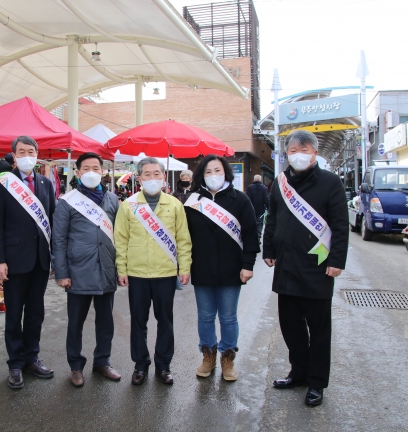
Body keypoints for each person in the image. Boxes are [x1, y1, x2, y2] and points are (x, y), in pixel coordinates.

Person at [262, 130, 349, 407]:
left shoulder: (330, 183)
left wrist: (336, 261)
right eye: (293, 151)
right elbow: (272, 218)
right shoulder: (281, 182)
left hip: (318, 268)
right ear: (286, 154)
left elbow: (340, 226)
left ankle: (316, 382)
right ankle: (298, 373)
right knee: (291, 327)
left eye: (304, 150)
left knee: (319, 329)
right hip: (287, 267)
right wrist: (269, 250)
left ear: (314, 152)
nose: (298, 155)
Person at [114, 157, 192, 386]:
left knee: (165, 321)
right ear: (139, 179)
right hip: (137, 274)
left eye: (156, 174)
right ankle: (140, 365)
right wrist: (122, 269)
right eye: (147, 174)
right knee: (138, 321)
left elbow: (183, 239)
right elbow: (120, 240)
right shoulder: (128, 205)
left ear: (164, 177)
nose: (152, 178)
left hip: (165, 273)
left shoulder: (174, 204)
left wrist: (184, 267)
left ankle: (164, 365)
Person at [184, 155, 260, 382]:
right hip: (202, 269)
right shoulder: (193, 201)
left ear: (226, 173)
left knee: (228, 317)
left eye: (217, 170)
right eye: (208, 172)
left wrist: (248, 265)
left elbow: (250, 234)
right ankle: (208, 356)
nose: (213, 175)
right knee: (205, 317)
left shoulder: (241, 199)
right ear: (201, 176)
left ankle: (227, 358)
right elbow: (184, 236)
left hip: (232, 269)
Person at [0, 136, 56, 390]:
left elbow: (50, 221)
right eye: (21, 152)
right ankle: (15, 364)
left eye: (31, 151)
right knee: (14, 315)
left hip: (40, 261)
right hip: (14, 261)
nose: (27, 155)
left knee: (36, 314)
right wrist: (0, 261)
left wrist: (53, 257)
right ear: (14, 156)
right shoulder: (2, 184)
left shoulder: (46, 184)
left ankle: (32, 357)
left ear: (37, 154)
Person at [52, 152, 121, 387]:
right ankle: (76, 366)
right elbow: (58, 240)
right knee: (75, 323)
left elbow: (120, 237)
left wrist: (120, 269)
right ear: (78, 172)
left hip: (106, 269)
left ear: (103, 172)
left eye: (96, 168)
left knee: (105, 322)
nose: (91, 172)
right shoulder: (67, 201)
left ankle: (103, 361)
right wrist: (61, 273)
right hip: (78, 270)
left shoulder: (113, 199)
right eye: (86, 168)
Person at [246, 174, 269, 241]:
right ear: (260, 180)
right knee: (259, 224)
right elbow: (266, 199)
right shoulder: (264, 188)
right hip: (260, 210)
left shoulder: (250, 187)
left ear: (254, 180)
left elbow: (248, 199)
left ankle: (253, 237)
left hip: (251, 210)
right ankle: (258, 236)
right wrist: (269, 208)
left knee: (252, 223)